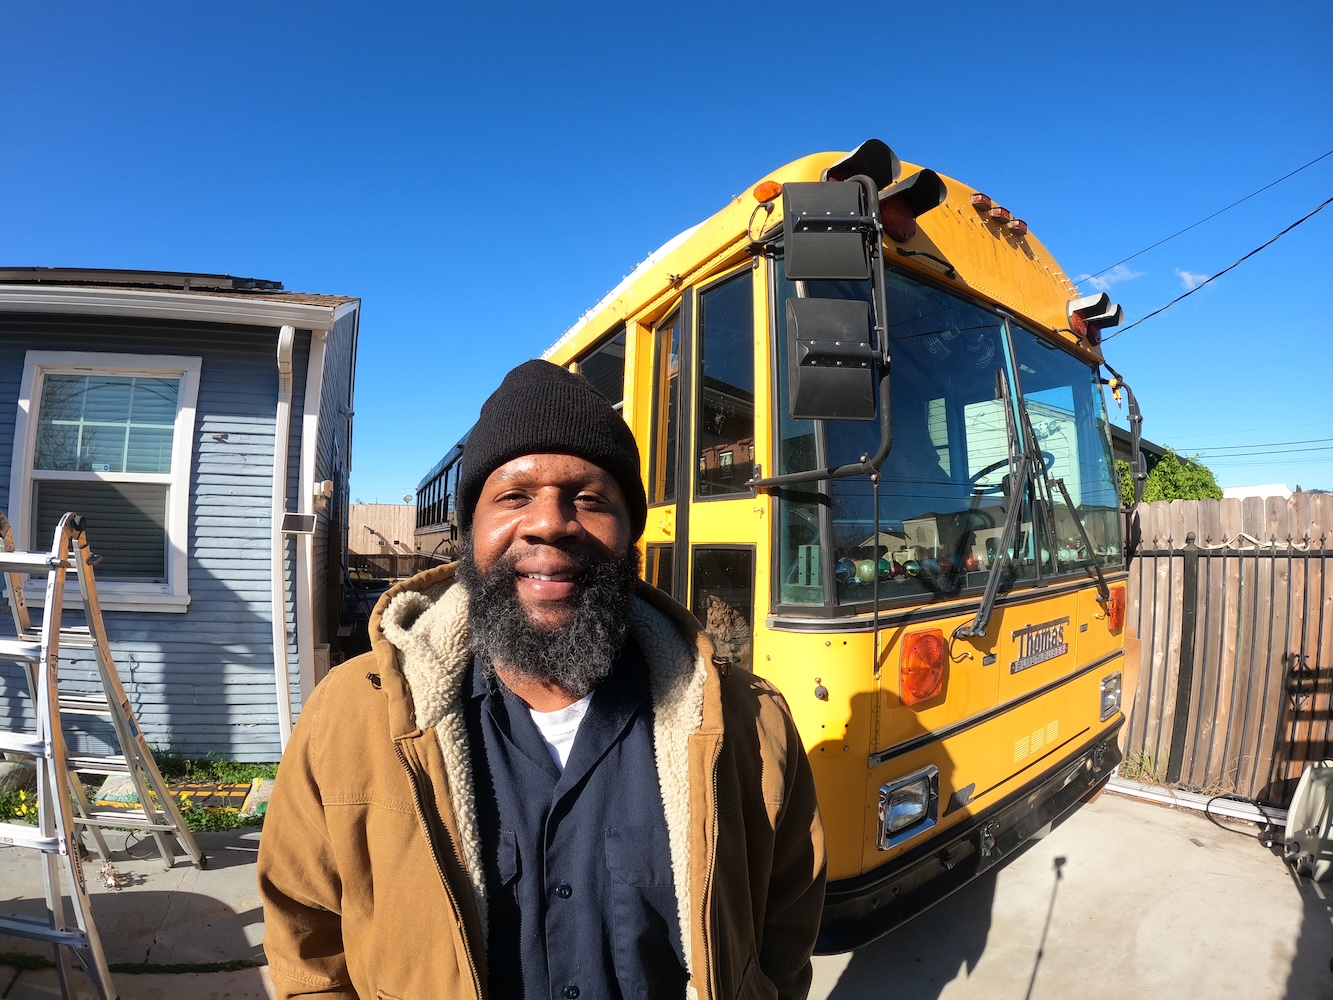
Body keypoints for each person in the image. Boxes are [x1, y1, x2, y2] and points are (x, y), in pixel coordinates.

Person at [258, 359, 826, 1000]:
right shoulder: (349, 716)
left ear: (631, 534)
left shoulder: (750, 724)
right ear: (470, 530)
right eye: (513, 496)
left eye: (588, 498)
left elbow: (785, 928)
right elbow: (305, 940)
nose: (550, 523)